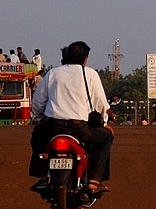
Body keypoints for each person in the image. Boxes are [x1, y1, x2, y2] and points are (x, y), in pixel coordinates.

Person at [28, 40, 114, 193]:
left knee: (37, 135)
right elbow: (100, 104)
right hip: (81, 128)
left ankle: (41, 173)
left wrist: (39, 118)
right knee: (106, 137)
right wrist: (104, 123)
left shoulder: (53, 73)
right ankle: (94, 180)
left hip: (52, 127)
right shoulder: (90, 74)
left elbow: (37, 102)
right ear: (85, 58)